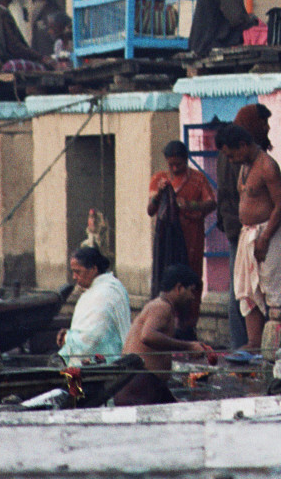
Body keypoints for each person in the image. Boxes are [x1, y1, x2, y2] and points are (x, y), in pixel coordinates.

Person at [216, 123, 281, 357]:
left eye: (232, 153)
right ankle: (254, 342)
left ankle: (273, 347)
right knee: (247, 291)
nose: (232, 159)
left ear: (244, 145)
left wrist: (265, 237)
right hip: (247, 234)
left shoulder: (267, 166)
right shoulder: (244, 167)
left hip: (269, 233)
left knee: (271, 291)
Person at [113, 264, 208, 405]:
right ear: (179, 288)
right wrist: (188, 346)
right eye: (191, 291)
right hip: (138, 387)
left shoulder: (162, 306)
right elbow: (148, 336)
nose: (192, 297)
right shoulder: (161, 306)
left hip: (148, 385)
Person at [218, 104, 271, 350]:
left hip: (245, 229)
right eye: (263, 123)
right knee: (242, 290)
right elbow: (235, 195)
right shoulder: (236, 153)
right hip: (241, 230)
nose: (267, 128)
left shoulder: (253, 156)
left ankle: (250, 342)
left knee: (248, 287)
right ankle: (242, 343)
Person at [148, 139, 217, 291]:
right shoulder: (159, 179)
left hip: (191, 238)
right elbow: (150, 210)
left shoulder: (198, 179)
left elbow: (212, 203)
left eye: (178, 164)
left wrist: (190, 205)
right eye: (171, 164)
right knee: (166, 278)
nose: (174, 168)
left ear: (186, 160)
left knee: (190, 279)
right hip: (166, 239)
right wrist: (159, 193)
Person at [58, 245, 132, 364]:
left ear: (93, 269)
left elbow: (93, 337)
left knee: (73, 380)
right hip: (88, 364)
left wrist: (67, 338)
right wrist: (69, 335)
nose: (74, 277)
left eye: (78, 272)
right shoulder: (96, 289)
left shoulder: (106, 292)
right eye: (73, 272)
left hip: (105, 366)